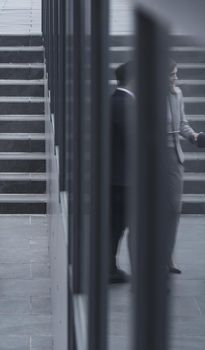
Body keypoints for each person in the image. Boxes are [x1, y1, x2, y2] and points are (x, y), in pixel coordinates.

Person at [165, 59, 200, 274]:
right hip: (150, 157)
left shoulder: (177, 94)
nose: (176, 78)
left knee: (173, 210)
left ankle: (168, 254)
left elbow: (182, 124)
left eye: (176, 74)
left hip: (173, 157)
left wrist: (194, 136)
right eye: (172, 74)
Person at [109, 62, 135, 284]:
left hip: (118, 176)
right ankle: (109, 268)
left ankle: (109, 266)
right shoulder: (123, 104)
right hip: (122, 178)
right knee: (118, 224)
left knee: (117, 224)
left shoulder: (116, 100)